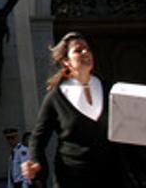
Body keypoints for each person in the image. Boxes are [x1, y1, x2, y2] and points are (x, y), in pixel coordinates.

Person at [25, 32, 121, 187]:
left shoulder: (110, 89)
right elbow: (38, 139)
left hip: (111, 177)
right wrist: (35, 164)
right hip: (72, 179)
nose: (86, 52)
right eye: (78, 50)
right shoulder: (56, 98)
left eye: (87, 49)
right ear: (66, 61)